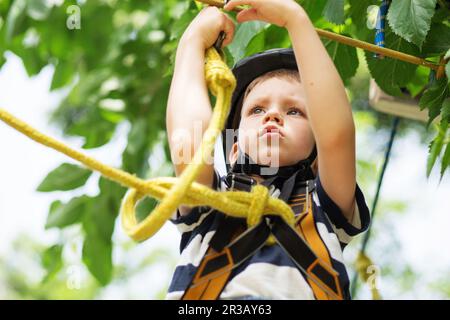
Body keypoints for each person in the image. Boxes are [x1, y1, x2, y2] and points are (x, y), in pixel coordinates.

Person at [165, 0, 370, 300]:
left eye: (295, 112)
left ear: (318, 159)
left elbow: (337, 135)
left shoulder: (323, 206)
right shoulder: (211, 204)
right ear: (233, 151)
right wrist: (192, 43)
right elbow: (189, 140)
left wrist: (295, 19)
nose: (272, 116)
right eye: (257, 109)